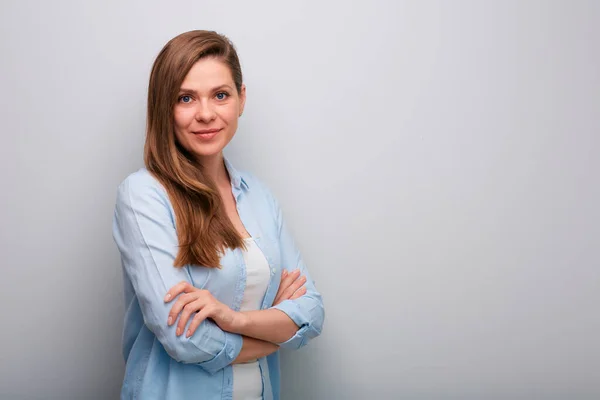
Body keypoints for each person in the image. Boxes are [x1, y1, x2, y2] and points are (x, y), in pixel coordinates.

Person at [112, 30, 325, 400]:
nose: (206, 113)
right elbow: (185, 339)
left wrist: (233, 320)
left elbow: (310, 311)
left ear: (241, 100)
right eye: (186, 98)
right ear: (165, 107)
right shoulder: (143, 196)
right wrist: (273, 333)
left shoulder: (258, 195)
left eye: (221, 95)